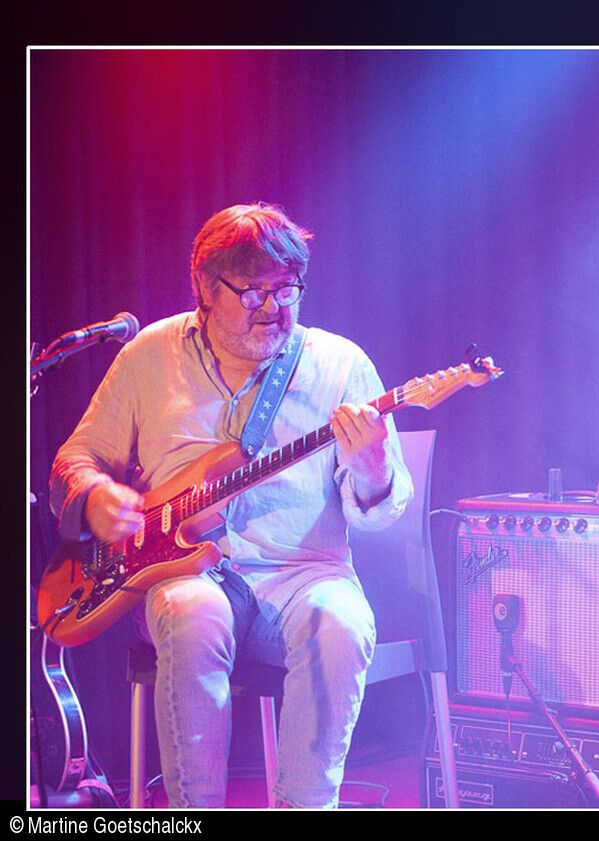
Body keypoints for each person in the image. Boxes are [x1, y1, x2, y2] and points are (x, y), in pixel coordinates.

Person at [50, 203, 414, 808]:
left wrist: (372, 466)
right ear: (204, 287)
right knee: (192, 612)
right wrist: (94, 496)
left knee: (343, 623)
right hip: (182, 574)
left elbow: (381, 510)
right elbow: (77, 457)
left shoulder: (341, 364)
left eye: (287, 289)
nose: (272, 308)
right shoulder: (148, 354)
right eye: (251, 292)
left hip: (303, 573)